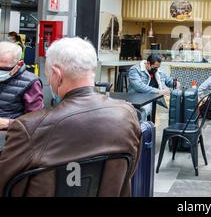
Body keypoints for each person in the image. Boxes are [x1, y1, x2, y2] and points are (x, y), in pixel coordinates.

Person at [0, 37, 141, 196]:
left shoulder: (29, 127)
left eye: (48, 75)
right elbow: (128, 172)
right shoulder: (127, 115)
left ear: (57, 74)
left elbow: (4, 185)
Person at [0, 41, 43, 130]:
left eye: (4, 69)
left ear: (19, 64)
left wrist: (9, 123)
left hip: (10, 138)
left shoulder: (31, 83)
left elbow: (36, 120)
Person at [128, 53, 180, 119]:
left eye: (158, 68)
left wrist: (175, 83)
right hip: (138, 98)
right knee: (144, 109)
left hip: (152, 98)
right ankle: (142, 127)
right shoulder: (135, 70)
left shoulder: (157, 71)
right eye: (155, 67)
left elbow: (166, 79)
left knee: (177, 103)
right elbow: (139, 86)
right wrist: (159, 91)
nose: (156, 69)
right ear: (148, 63)